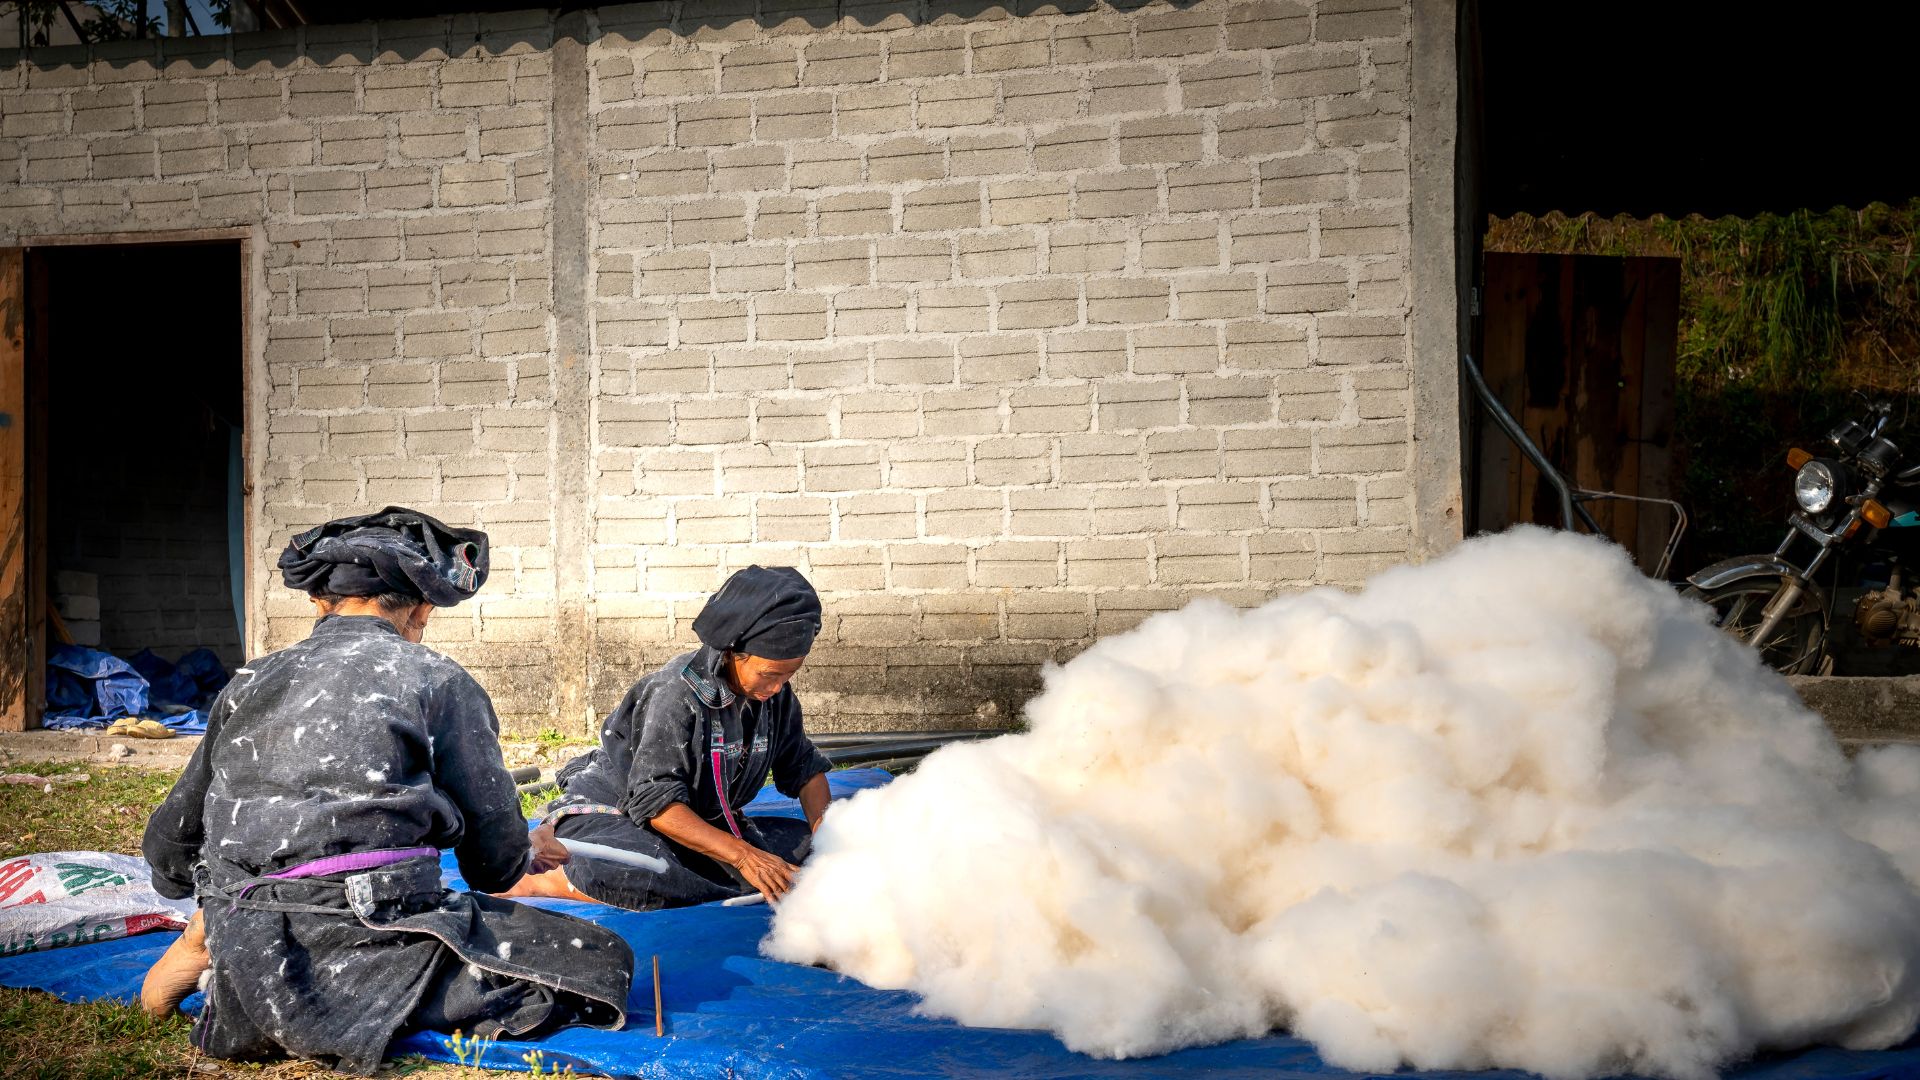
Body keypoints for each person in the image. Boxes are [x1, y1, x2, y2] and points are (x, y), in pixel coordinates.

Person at [138, 507, 632, 1075]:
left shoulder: (251, 679)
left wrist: (194, 891)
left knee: (264, 922)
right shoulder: (436, 678)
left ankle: (208, 943)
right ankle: (347, 1002)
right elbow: (492, 865)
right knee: (599, 959)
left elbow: (172, 839)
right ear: (421, 610)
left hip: (242, 923)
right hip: (367, 922)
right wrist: (525, 848)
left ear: (319, 603)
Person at [504, 565, 834, 910]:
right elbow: (657, 804)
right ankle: (547, 878)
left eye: (788, 674)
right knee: (649, 872)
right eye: (769, 674)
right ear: (732, 652)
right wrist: (744, 856)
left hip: (691, 820)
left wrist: (831, 844)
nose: (778, 687)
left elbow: (804, 770)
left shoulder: (776, 697)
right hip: (621, 814)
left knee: (805, 848)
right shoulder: (675, 694)